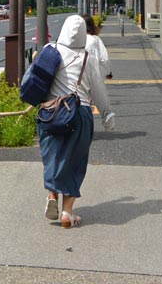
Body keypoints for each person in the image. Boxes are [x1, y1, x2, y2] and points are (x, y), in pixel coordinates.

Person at [40, 14, 114, 228]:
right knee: (75, 161)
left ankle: (52, 194)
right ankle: (67, 213)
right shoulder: (87, 58)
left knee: (52, 157)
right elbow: (98, 90)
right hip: (78, 113)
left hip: (49, 112)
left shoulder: (49, 50)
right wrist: (107, 114)